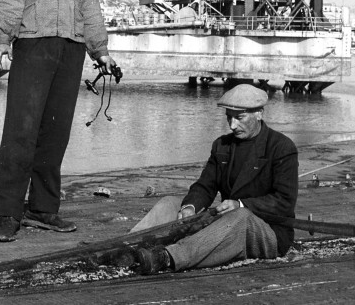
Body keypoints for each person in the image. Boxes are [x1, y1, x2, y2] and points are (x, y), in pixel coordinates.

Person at [0, 0, 117, 243]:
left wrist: (100, 50)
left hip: (71, 48)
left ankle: (43, 210)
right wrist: (2, 39)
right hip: (32, 43)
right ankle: (7, 213)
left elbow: (89, 5)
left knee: (55, 134)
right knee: (20, 131)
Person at [126, 84, 298, 274]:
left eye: (239, 118)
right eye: (229, 118)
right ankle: (126, 247)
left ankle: (167, 258)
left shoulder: (282, 147)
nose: (233, 125)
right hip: (228, 221)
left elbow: (284, 202)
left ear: (259, 114)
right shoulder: (221, 145)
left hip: (268, 231)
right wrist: (189, 207)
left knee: (241, 216)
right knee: (170, 204)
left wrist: (240, 205)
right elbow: (205, 187)